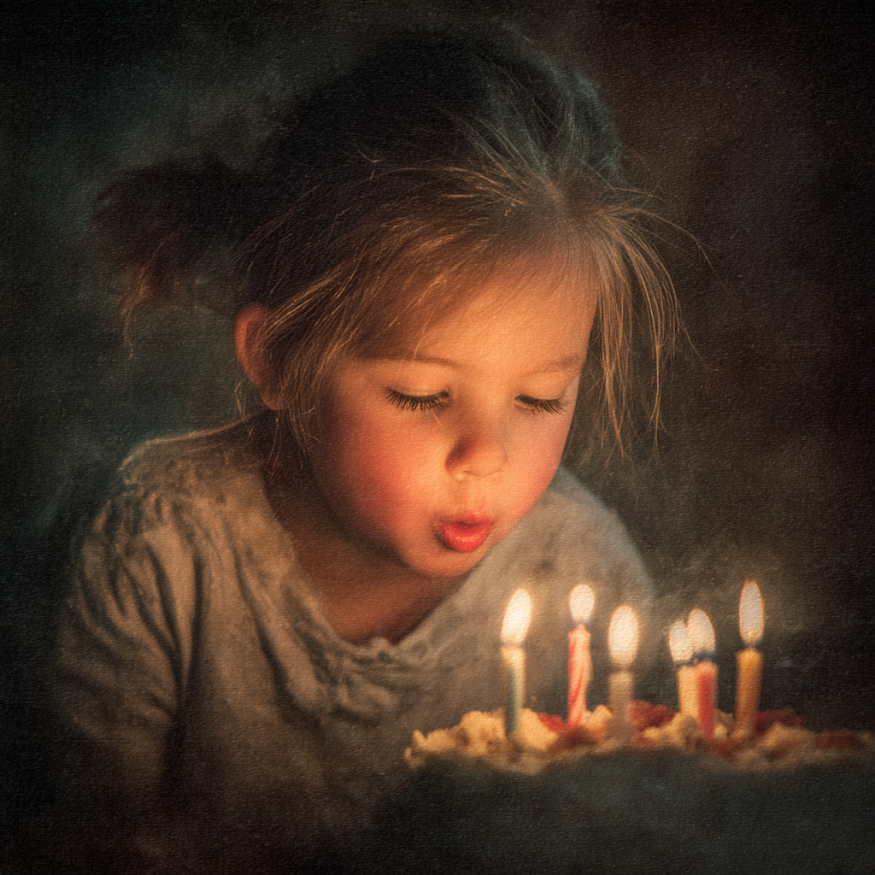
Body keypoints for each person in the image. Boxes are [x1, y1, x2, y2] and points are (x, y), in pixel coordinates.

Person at [49, 26, 678, 874]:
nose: (483, 455)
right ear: (276, 361)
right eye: (422, 395)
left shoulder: (581, 574)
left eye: (539, 398)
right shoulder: (156, 555)